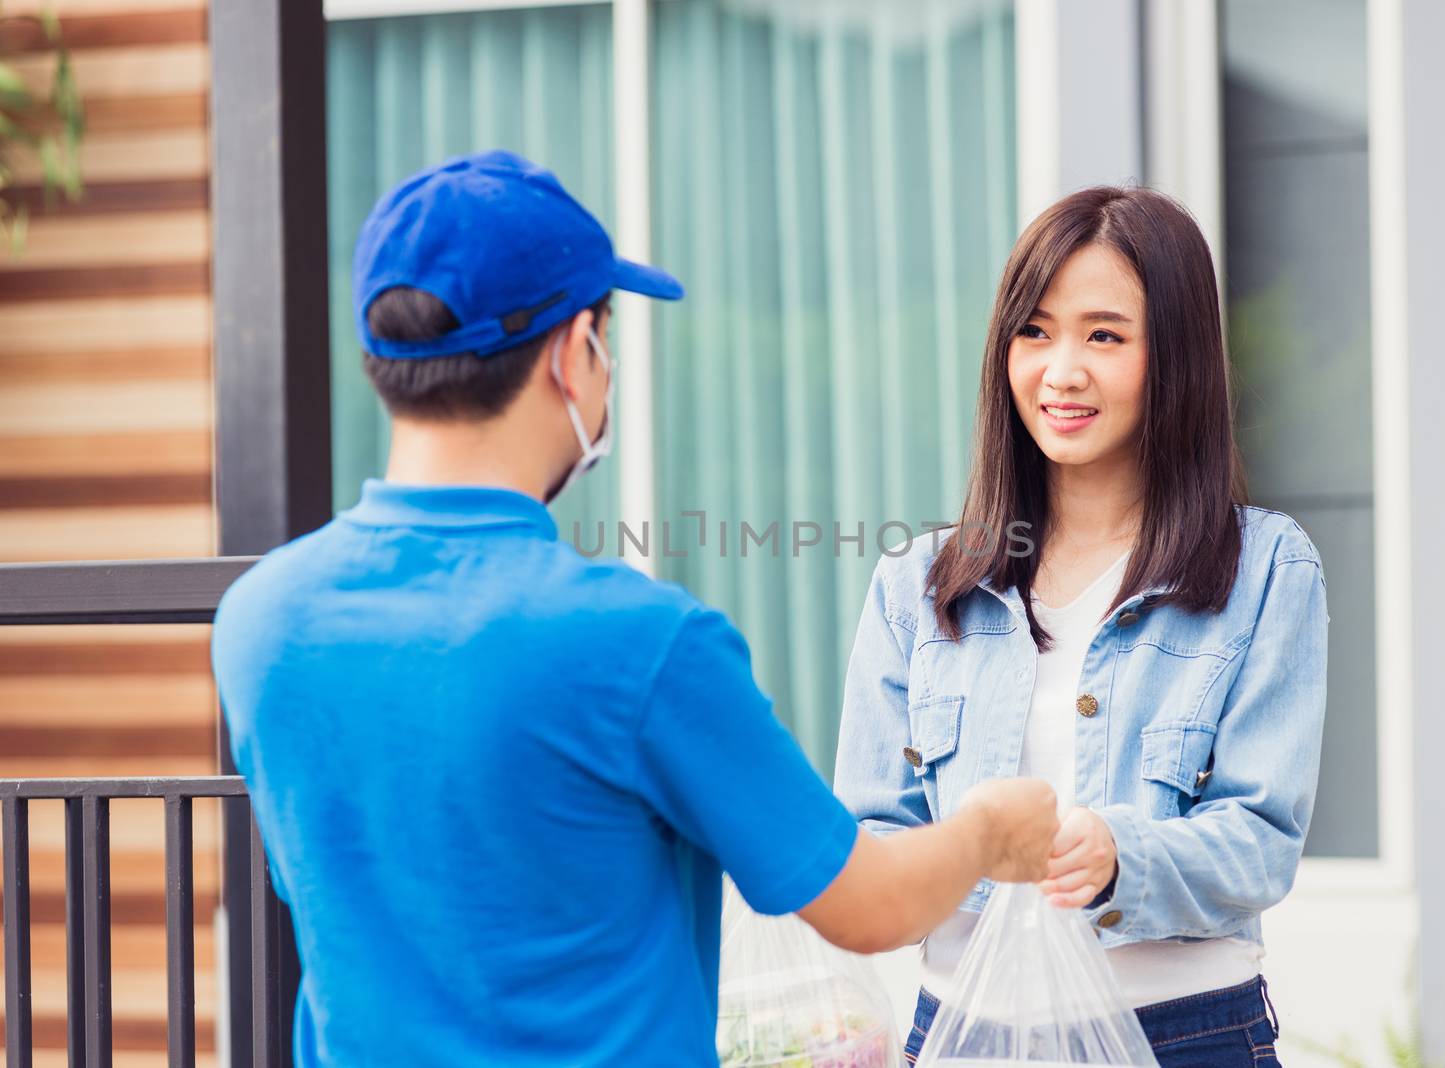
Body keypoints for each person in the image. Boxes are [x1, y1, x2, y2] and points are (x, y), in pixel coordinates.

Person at [210, 151, 1061, 1067]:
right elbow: (867, 905)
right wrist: (986, 831)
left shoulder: (260, 620)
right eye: (606, 340)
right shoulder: (640, 643)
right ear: (575, 355)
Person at [833, 186, 1329, 1067]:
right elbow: (873, 840)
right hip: (958, 1035)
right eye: (1036, 330)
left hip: (1185, 1034)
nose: (1062, 370)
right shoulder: (915, 584)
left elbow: (1261, 842)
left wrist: (1117, 857)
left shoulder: (1265, 569)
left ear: (1173, 355)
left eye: (1104, 335)